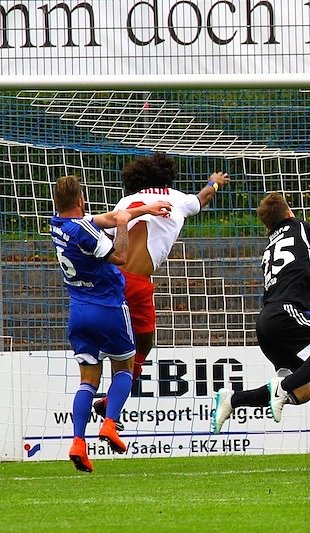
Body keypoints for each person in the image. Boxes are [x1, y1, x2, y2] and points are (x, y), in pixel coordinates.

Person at [92, 153, 229, 429]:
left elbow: (107, 238)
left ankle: (99, 402)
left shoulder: (125, 202)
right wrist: (214, 182)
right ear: (167, 177)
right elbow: (201, 198)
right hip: (137, 283)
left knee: (107, 346)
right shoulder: (177, 198)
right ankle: (111, 407)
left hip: (109, 278)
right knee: (141, 346)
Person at [50, 175, 171, 472]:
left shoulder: (58, 225)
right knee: (124, 368)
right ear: (81, 200)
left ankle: (78, 442)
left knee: (87, 380)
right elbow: (120, 256)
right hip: (108, 308)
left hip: (79, 312)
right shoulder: (86, 233)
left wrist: (144, 210)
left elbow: (104, 218)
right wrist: (123, 226)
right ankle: (110, 424)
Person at [210, 192, 310, 431]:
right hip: (286, 312)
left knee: (303, 392)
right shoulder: (299, 226)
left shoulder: (269, 247)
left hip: (266, 323)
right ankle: (281, 387)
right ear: (289, 213)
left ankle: (233, 399)